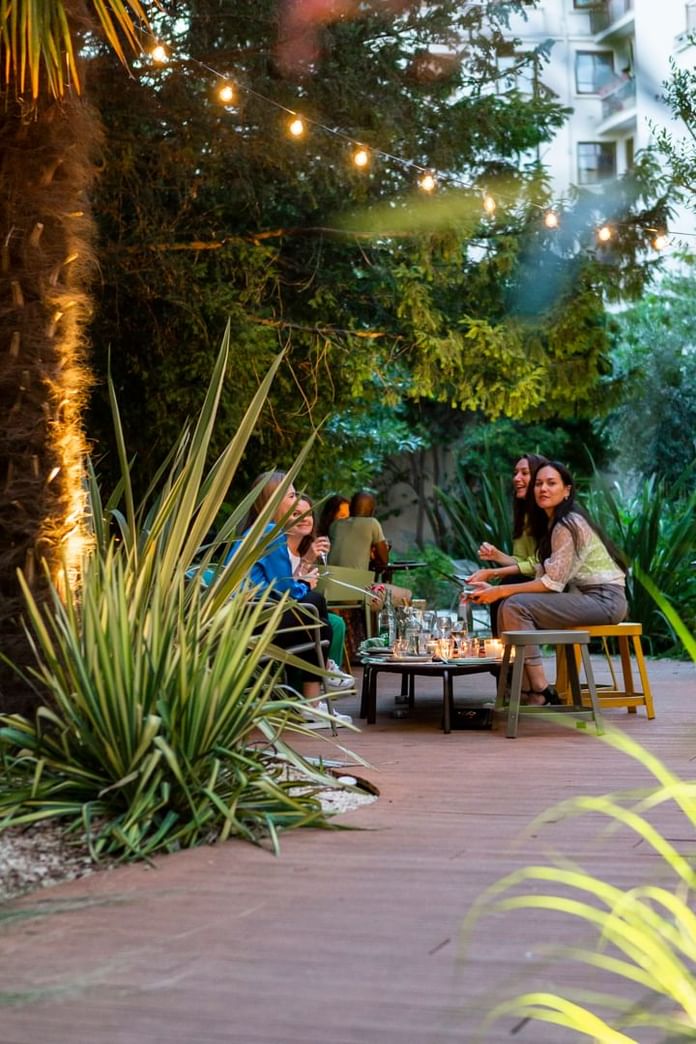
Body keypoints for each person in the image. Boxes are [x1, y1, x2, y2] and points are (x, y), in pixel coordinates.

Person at [468, 462, 627, 705]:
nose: (543, 488)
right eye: (539, 483)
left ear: (567, 490)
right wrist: (495, 586)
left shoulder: (568, 523)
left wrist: (500, 589)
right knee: (508, 605)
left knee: (514, 605)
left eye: (551, 483)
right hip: (588, 597)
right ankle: (523, 689)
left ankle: (540, 688)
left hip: (604, 600)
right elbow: (542, 568)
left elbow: (551, 582)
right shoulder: (556, 523)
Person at [225, 471, 353, 726]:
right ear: (275, 499)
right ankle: (322, 678)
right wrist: (304, 583)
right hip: (254, 620)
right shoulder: (270, 533)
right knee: (313, 603)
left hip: (245, 616)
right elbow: (287, 591)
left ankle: (316, 693)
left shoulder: (255, 530)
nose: (296, 501)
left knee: (312, 609)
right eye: (292, 495)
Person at [467, 453, 548, 635]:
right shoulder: (525, 515)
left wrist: (492, 572)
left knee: (505, 586)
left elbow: (537, 564)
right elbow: (521, 562)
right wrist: (497, 556)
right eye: (516, 473)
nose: (516, 478)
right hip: (534, 577)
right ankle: (503, 653)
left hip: (551, 583)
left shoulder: (548, 514)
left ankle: (510, 655)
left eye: (524, 473)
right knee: (503, 585)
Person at [286, 495, 352, 681]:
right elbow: (287, 585)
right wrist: (307, 562)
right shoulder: (281, 547)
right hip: (287, 610)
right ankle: (321, 675)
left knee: (336, 622)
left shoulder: (305, 546)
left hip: (302, 605)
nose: (304, 518)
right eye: (297, 514)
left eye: (308, 514)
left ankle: (327, 674)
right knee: (328, 622)